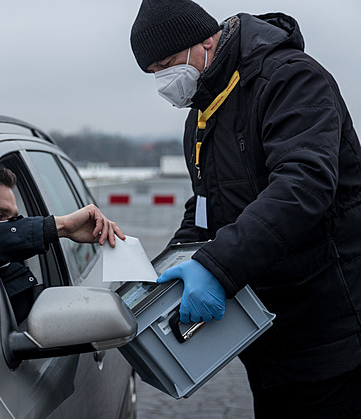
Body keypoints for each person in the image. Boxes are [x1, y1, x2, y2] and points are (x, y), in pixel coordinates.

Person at [129, 1, 361, 417]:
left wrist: (217, 266)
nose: (164, 81)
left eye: (167, 64)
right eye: (153, 73)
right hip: (269, 330)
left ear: (205, 41)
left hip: (330, 321)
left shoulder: (289, 78)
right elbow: (205, 202)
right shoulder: (203, 112)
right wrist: (173, 262)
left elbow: (303, 184)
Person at [0, 165, 124, 323]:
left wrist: (62, 229)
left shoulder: (16, 273)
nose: (11, 225)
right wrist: (61, 226)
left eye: (15, 219)